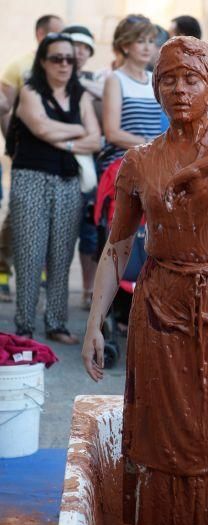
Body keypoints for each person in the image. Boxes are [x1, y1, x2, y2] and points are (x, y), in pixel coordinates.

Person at [82, 36, 208, 525]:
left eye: (191, 79)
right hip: (163, 304)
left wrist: (197, 170)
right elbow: (116, 249)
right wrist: (95, 325)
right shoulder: (139, 162)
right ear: (155, 87)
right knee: (162, 426)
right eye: (168, 79)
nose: (179, 90)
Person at [10, 32, 101, 341]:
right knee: (29, 253)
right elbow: (39, 127)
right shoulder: (31, 91)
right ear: (43, 62)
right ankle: (24, 324)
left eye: (69, 59)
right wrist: (78, 131)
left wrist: (64, 137)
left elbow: (96, 139)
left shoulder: (82, 95)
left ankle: (56, 323)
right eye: (56, 58)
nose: (64, 64)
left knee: (62, 254)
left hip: (68, 182)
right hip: (31, 178)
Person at [0, 14, 64, 302]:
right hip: (25, 154)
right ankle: (2, 271)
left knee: (50, 218)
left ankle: (37, 272)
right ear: (40, 34)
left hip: (56, 156)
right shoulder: (18, 66)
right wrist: (12, 145)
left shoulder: (63, 65)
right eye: (55, 33)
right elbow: (6, 109)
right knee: (17, 216)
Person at [63, 24, 102, 310]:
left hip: (89, 164)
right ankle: (55, 289)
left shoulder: (95, 79)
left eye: (84, 47)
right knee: (60, 232)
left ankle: (88, 289)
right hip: (60, 162)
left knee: (89, 230)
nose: (78, 52)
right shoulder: (48, 78)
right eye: (74, 45)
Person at [99, 15, 163, 173]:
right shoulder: (115, 79)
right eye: (140, 41)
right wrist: (150, 144)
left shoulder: (154, 79)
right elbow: (112, 133)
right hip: (124, 164)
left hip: (154, 164)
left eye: (151, 41)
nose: (147, 48)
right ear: (126, 46)